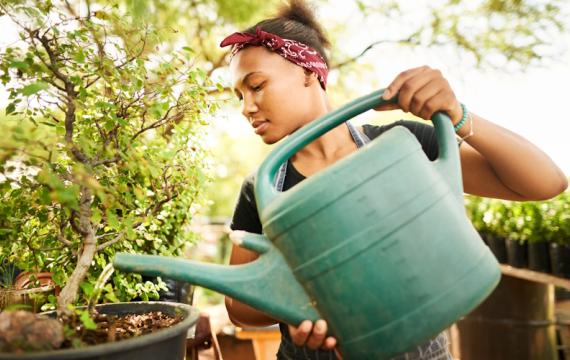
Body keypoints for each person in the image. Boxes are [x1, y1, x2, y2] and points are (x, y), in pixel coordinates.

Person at [220, 1, 568, 359]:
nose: (246, 107)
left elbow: (545, 182)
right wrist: (302, 302)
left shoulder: (400, 147)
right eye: (240, 96)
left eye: (257, 85)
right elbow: (239, 308)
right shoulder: (261, 190)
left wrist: (458, 114)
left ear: (309, 72)